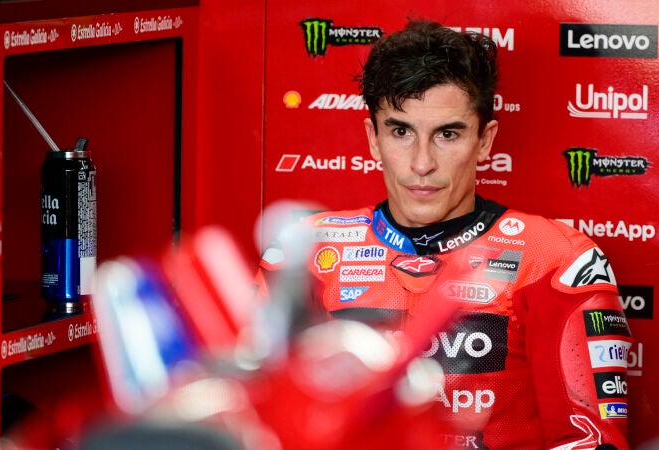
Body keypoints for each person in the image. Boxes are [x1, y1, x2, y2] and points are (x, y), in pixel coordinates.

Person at [258, 20, 632, 449]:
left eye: (447, 134)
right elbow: (258, 421)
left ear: (485, 140)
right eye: (401, 131)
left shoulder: (554, 260)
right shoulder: (306, 253)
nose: (422, 163)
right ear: (373, 138)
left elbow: (591, 441)